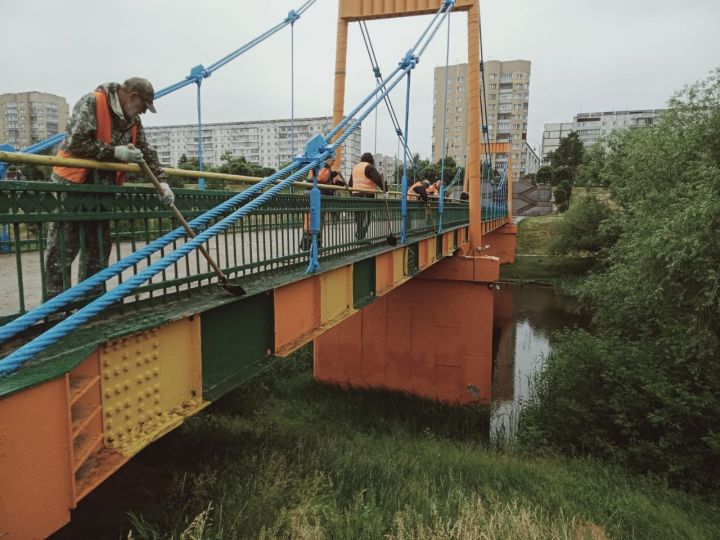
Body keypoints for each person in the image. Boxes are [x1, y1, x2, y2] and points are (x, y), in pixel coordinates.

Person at [44, 77, 174, 300]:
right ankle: (54, 311)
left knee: (98, 250)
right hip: (72, 188)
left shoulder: (132, 120)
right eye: (144, 106)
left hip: (102, 194)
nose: (143, 112)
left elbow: (146, 151)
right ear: (133, 97)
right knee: (62, 250)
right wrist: (115, 152)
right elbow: (76, 142)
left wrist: (162, 182)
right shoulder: (92, 102)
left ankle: (90, 304)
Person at [300, 157, 343, 251]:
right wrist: (335, 173)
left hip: (320, 198)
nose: (334, 161)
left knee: (319, 221)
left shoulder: (326, 168)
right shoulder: (320, 165)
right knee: (311, 220)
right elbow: (322, 177)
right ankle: (306, 246)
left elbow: (329, 180)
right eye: (333, 159)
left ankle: (317, 245)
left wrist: (340, 183)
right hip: (313, 196)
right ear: (327, 159)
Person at [349, 152, 386, 240]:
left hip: (355, 195)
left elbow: (350, 184)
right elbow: (378, 180)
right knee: (366, 218)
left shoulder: (355, 168)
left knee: (359, 217)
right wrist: (386, 190)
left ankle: (359, 234)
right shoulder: (369, 167)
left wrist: (351, 195)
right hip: (366, 195)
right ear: (371, 160)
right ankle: (361, 237)